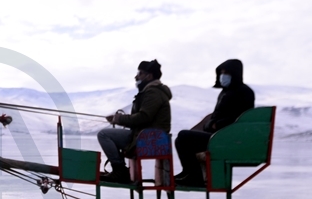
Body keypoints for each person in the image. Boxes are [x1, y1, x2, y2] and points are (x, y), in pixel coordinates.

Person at [174, 59, 255, 187]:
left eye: (226, 73)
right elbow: (217, 115)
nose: (223, 76)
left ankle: (195, 177)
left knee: (184, 136)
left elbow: (239, 118)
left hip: (228, 138)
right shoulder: (225, 92)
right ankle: (189, 173)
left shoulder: (243, 92)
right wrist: (211, 124)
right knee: (180, 139)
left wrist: (216, 125)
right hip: (218, 135)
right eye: (221, 73)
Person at [98, 60, 172, 184]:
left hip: (149, 139)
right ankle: (119, 170)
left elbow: (143, 117)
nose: (136, 76)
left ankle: (120, 170)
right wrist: (120, 119)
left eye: (140, 73)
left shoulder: (153, 92)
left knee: (104, 135)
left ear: (149, 76)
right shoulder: (152, 91)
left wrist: (119, 119)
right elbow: (142, 117)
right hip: (145, 136)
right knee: (106, 134)